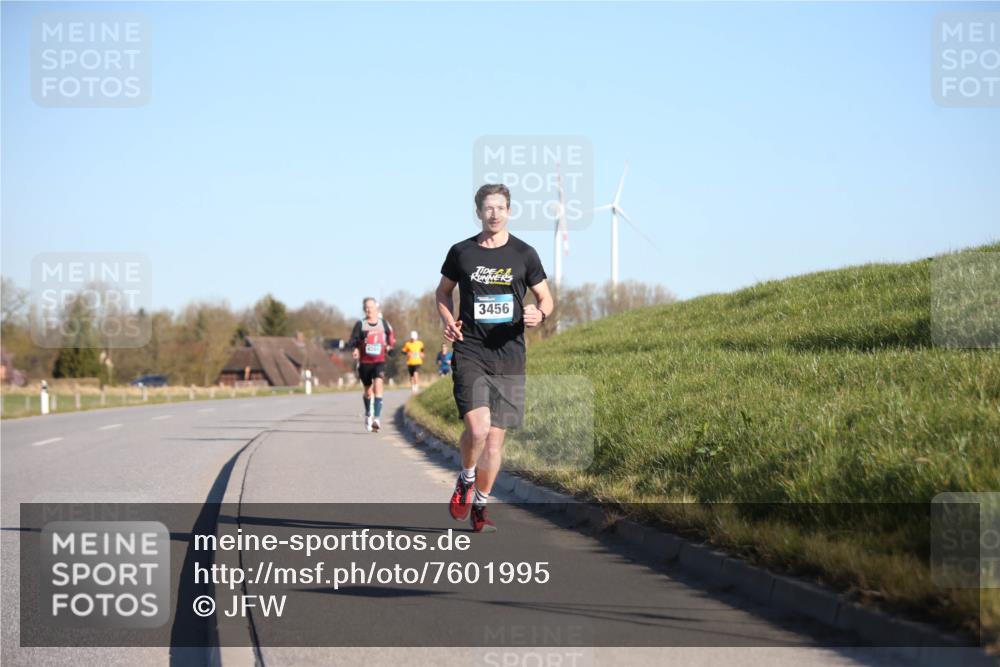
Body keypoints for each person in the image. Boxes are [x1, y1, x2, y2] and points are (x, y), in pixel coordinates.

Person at [436, 183, 553, 533]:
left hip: (510, 355)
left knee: (496, 441)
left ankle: (482, 504)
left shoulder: (525, 254)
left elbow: (546, 298)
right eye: (488, 208)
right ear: (478, 212)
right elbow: (442, 293)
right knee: (477, 428)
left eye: (500, 207)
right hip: (471, 349)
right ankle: (466, 478)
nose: (494, 213)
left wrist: (540, 314)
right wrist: (448, 321)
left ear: (509, 211)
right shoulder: (462, 252)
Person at [347, 297, 395, 432]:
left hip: (379, 361)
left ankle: (377, 419)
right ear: (364, 309)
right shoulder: (360, 324)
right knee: (368, 391)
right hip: (365, 362)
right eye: (366, 307)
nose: (369, 309)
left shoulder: (384, 324)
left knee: (378, 385)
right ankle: (368, 412)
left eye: (371, 307)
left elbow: (391, 338)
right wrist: (356, 349)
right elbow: (354, 340)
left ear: (376, 308)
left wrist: (390, 347)